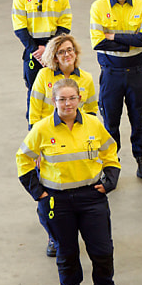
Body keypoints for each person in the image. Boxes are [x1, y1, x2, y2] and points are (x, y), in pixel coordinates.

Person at [16, 78, 135, 285]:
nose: (67, 104)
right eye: (62, 99)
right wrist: (38, 192)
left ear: (79, 99)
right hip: (57, 202)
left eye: (72, 98)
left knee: (103, 252)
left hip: (91, 198)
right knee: (67, 254)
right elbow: (23, 158)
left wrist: (110, 179)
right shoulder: (42, 129)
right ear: (53, 101)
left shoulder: (93, 124)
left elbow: (110, 151)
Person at [89, 0, 142, 186]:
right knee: (110, 123)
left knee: (139, 121)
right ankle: (110, 168)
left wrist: (113, 36)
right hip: (111, 75)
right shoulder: (98, 7)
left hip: (137, 73)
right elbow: (98, 42)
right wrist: (130, 41)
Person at [29, 34, 97, 256]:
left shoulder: (86, 79)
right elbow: (34, 112)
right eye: (61, 52)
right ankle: (52, 235)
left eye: (70, 50)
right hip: (48, 143)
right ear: (54, 57)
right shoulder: (43, 76)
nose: (67, 55)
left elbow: (91, 113)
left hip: (76, 143)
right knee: (49, 195)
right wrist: (37, 149)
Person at [12, 0, 72, 120]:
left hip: (55, 48)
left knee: (59, 88)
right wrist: (36, 51)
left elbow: (65, 24)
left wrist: (49, 48)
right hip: (33, 50)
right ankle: (34, 125)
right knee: (34, 90)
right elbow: (19, 27)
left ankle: (59, 121)